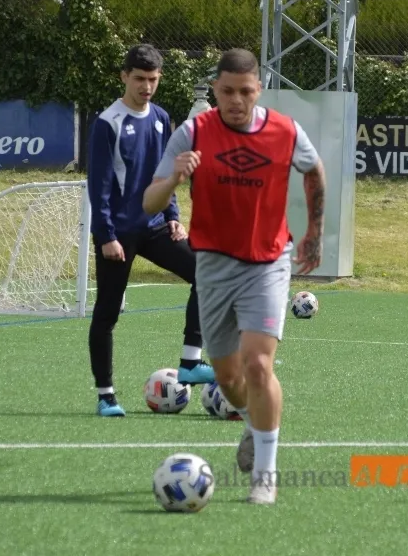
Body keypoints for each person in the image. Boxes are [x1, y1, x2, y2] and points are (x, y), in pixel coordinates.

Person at [143, 47, 326, 505]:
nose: (237, 101)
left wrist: (314, 235)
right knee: (227, 377)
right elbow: (148, 201)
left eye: (246, 91)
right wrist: (174, 180)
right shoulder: (193, 132)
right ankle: (250, 421)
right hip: (214, 266)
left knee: (258, 365)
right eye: (227, 91)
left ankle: (265, 473)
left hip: (268, 263)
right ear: (215, 90)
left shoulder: (285, 131)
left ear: (259, 90)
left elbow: (315, 172)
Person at [86, 43, 215, 418]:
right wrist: (106, 235)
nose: (146, 86)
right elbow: (100, 185)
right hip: (119, 233)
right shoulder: (107, 123)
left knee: (205, 272)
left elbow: (166, 171)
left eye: (153, 79)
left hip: (156, 225)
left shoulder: (160, 117)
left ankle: (191, 360)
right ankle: (106, 395)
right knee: (107, 313)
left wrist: (173, 213)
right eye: (140, 79)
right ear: (124, 76)